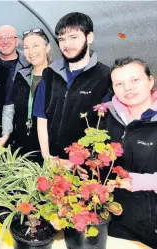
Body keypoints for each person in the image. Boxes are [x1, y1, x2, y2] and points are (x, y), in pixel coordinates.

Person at [76, 57, 157, 247]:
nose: (127, 88)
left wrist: (136, 181)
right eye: (119, 83)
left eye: (134, 80)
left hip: (150, 227)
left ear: (150, 81)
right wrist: (85, 163)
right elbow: (99, 151)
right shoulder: (109, 115)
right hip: (112, 218)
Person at [33, 12, 112, 162]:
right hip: (50, 160)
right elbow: (41, 116)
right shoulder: (50, 74)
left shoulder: (105, 78)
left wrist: (78, 161)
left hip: (85, 167)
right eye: (62, 39)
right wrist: (46, 156)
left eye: (73, 37)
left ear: (89, 37)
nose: (66, 45)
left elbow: (107, 128)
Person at [11, 28, 51, 162]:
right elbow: (12, 109)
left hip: (48, 149)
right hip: (22, 147)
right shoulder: (21, 75)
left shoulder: (57, 78)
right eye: (26, 48)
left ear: (47, 47)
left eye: (36, 46)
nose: (31, 52)